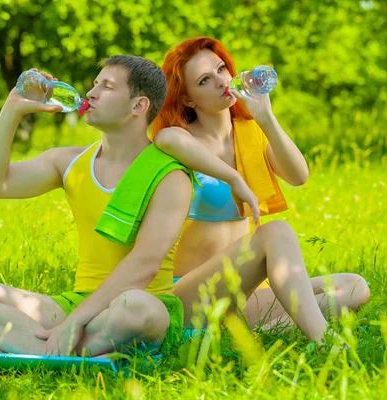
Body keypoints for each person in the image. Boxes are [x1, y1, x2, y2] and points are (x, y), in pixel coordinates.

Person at [0, 55, 193, 357]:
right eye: (94, 84)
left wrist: (74, 321)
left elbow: (145, 264)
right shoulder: (71, 162)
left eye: (107, 86)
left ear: (138, 106)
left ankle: (37, 347)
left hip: (139, 304)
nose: (91, 93)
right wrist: (12, 110)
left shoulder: (169, 175)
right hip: (77, 302)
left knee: (138, 308)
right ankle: (68, 352)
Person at [151, 37, 369, 334]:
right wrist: (234, 178)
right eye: (204, 80)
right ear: (188, 98)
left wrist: (265, 118)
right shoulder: (180, 140)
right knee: (276, 231)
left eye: (221, 69)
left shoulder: (249, 133)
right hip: (190, 294)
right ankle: (323, 338)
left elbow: (298, 176)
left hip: (244, 293)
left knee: (354, 286)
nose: (220, 81)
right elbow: (165, 138)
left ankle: (248, 335)